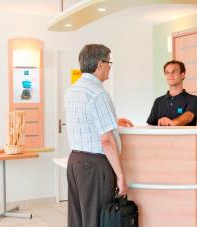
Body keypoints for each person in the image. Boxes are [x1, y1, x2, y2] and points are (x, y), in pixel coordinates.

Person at [65, 44, 133, 227]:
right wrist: (121, 177)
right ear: (99, 64)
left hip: (74, 162)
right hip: (94, 166)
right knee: (95, 219)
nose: (110, 66)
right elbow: (107, 141)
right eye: (109, 62)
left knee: (78, 218)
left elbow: (85, 120)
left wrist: (113, 120)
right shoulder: (98, 93)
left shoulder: (73, 90)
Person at [147, 60, 197, 126]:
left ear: (182, 75)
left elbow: (188, 117)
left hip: (184, 136)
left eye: (174, 71)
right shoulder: (158, 101)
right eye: (167, 72)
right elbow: (150, 126)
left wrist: (172, 123)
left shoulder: (193, 99)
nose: (170, 75)